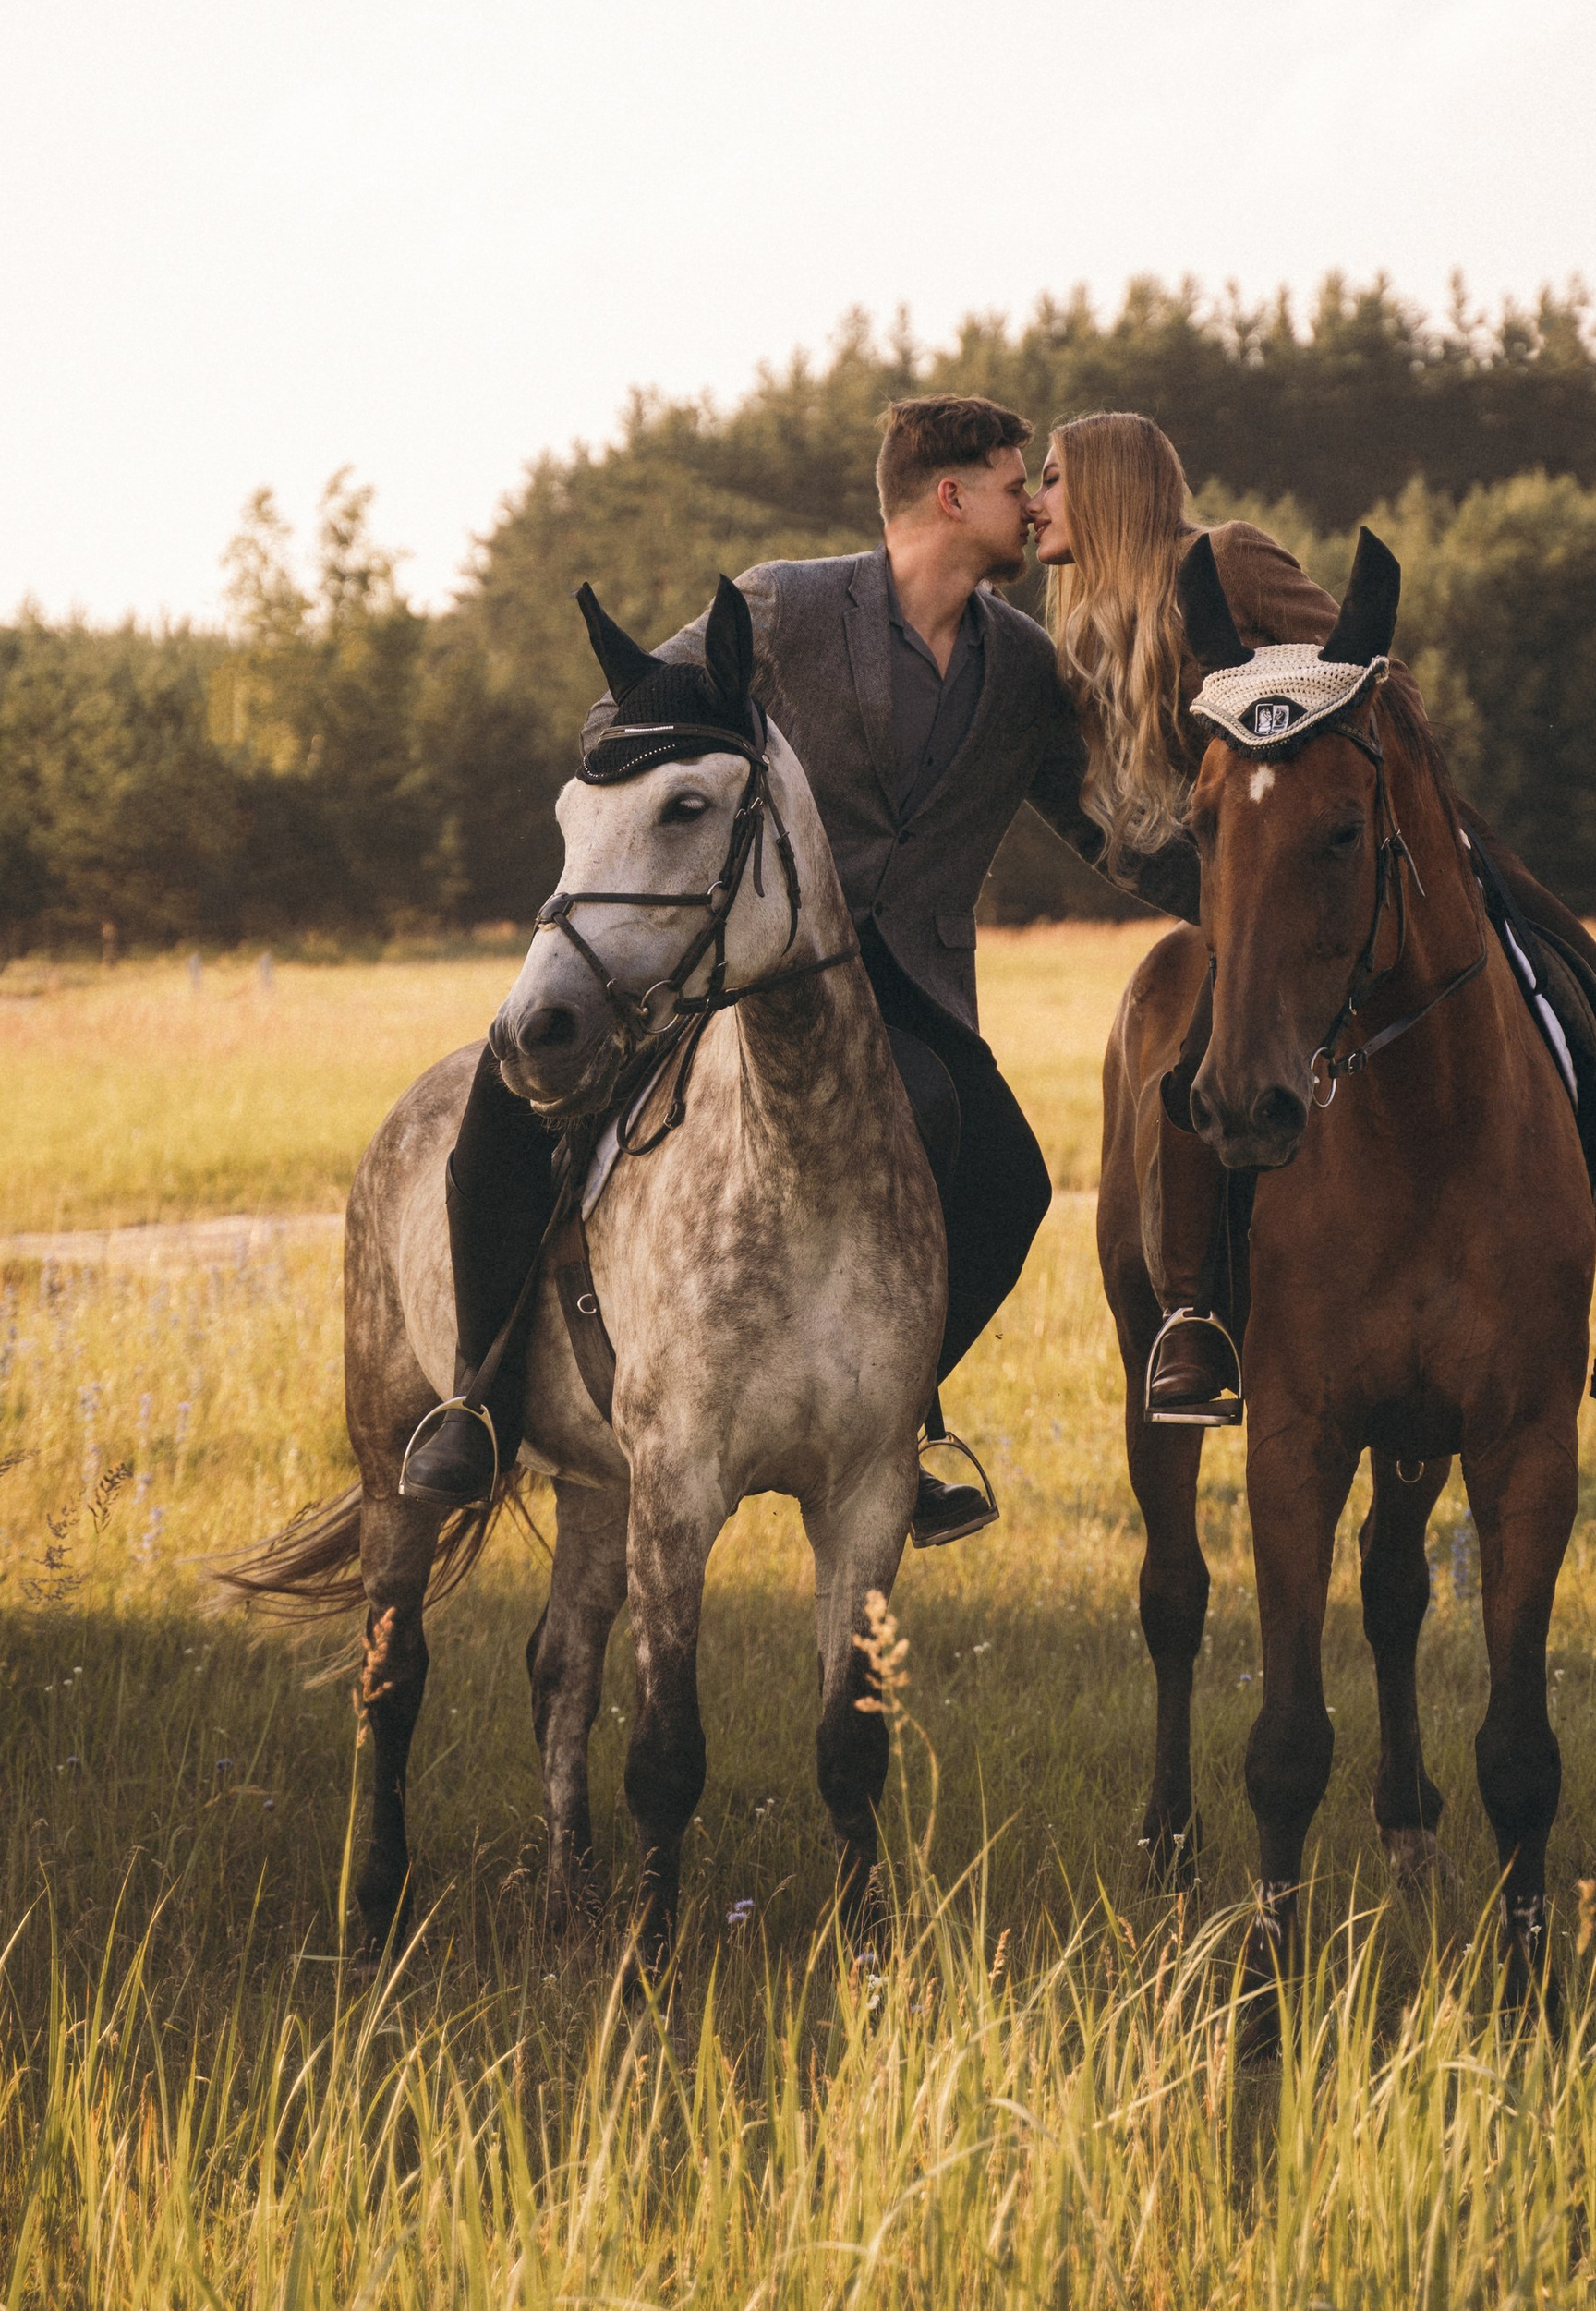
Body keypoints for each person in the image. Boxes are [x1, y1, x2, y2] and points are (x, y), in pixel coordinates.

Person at [407, 394, 1201, 1543]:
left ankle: (896, 1424)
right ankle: (475, 1406)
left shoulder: (1025, 668)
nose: (1033, 505)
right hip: (729, 967)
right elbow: (613, 721)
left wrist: (1251, 898)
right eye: (1013, 480)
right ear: (950, 495)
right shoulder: (786, 605)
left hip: (914, 1001)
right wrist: (697, 742)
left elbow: (1106, 832)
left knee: (1012, 1183)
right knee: (506, 1091)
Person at [1030, 408, 1596, 1435]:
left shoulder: (1230, 560)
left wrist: (1332, 822)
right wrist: (1235, 900)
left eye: (1050, 477)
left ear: (1108, 486)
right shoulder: (1091, 632)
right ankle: (1192, 1318)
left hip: (1397, 853)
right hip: (1267, 893)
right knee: (1193, 1077)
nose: (1035, 499)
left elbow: (1381, 683)